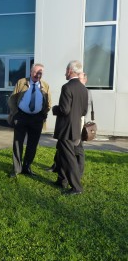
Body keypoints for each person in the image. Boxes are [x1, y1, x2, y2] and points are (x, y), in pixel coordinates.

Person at [8, 63, 52, 177]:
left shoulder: (45, 85)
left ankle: (27, 167)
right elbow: (12, 99)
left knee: (32, 145)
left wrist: (43, 115)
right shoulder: (21, 82)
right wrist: (16, 113)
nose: (38, 75)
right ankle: (17, 169)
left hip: (37, 119)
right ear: (31, 72)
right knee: (18, 143)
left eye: (40, 73)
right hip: (21, 116)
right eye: (36, 72)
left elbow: (48, 103)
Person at [52, 60, 88, 195]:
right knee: (62, 154)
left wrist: (55, 109)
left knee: (69, 158)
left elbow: (64, 109)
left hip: (66, 129)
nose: (65, 73)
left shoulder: (67, 87)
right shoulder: (83, 88)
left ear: (70, 71)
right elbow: (83, 111)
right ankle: (62, 180)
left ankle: (76, 187)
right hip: (76, 128)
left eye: (67, 70)